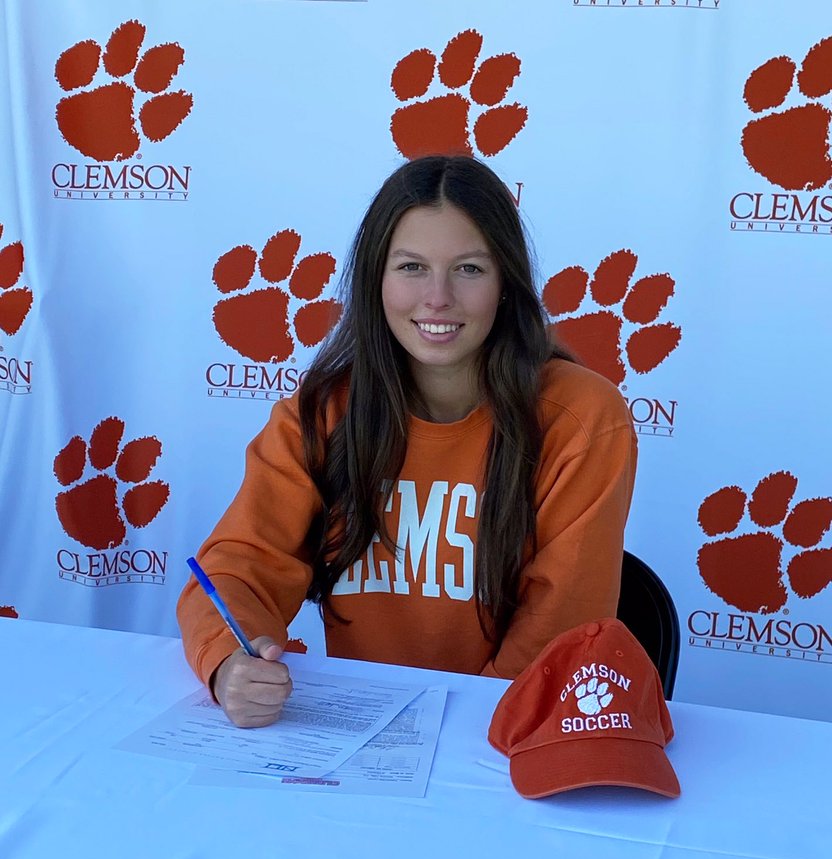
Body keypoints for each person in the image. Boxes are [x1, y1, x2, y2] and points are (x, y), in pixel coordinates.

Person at [177, 155, 637, 727]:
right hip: (361, 736)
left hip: (502, 737)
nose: (438, 297)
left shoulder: (583, 418)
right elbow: (236, 569)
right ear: (376, 279)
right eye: (412, 267)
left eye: (469, 269)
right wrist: (229, 664)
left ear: (506, 283)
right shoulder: (322, 413)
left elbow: (559, 630)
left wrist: (460, 738)